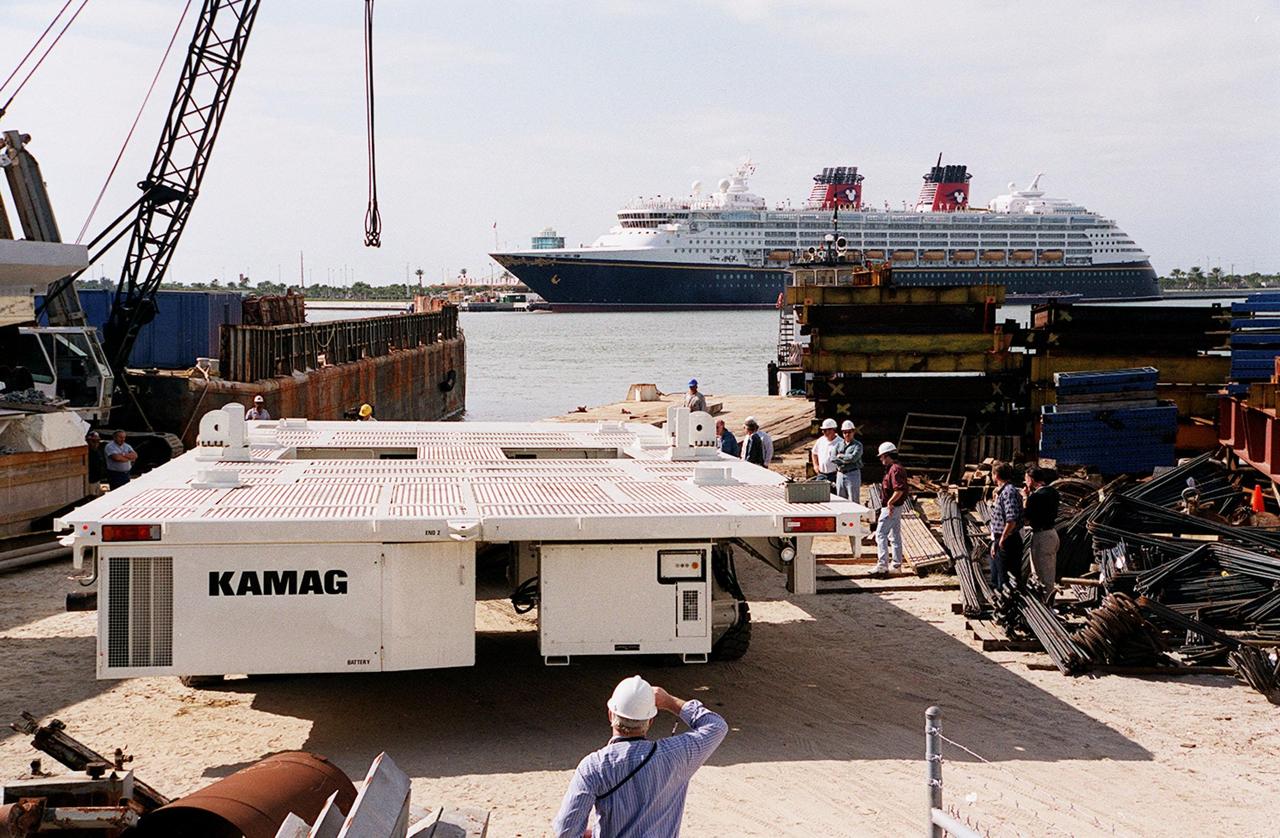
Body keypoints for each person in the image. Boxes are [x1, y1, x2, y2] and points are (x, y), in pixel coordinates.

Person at [552, 675, 727, 838]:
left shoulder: (594, 766)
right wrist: (670, 702)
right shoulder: (676, 755)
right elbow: (716, 726)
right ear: (650, 721)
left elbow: (566, 831)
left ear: (611, 715)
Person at [1023, 467, 1061, 599]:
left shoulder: (1036, 496)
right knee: (1049, 571)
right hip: (1052, 533)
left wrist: (1025, 497)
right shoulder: (1053, 492)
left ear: (1031, 480)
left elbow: (1027, 517)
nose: (1025, 481)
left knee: (1042, 573)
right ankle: (1046, 601)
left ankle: (1046, 605)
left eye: (1026, 479)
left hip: (1042, 536)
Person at [989, 461, 1025, 591]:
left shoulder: (1008, 492)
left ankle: (1009, 607)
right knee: (999, 575)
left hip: (1008, 540)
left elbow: (1011, 520)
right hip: (1001, 538)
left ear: (996, 475)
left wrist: (1002, 540)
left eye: (992, 474)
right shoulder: (1002, 492)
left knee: (1006, 579)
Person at [874, 442, 908, 573]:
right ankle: (896, 565)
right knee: (894, 536)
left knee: (880, 534)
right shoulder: (894, 468)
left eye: (882, 456)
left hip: (892, 508)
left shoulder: (895, 469)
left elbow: (898, 490)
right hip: (896, 507)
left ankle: (882, 564)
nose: (881, 459)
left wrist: (890, 503)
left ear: (888, 455)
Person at [832, 420, 863, 502]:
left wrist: (841, 456)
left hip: (852, 474)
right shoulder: (839, 444)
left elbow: (853, 458)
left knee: (854, 499)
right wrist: (846, 460)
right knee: (840, 500)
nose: (847, 434)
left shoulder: (858, 445)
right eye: (845, 432)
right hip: (840, 474)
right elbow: (833, 458)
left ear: (853, 432)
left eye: (849, 432)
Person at [811, 418, 839, 483]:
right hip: (821, 474)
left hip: (835, 475)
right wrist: (815, 465)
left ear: (833, 430)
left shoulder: (840, 442)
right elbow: (814, 453)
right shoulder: (821, 440)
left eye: (825, 430)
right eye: (823, 430)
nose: (823, 432)